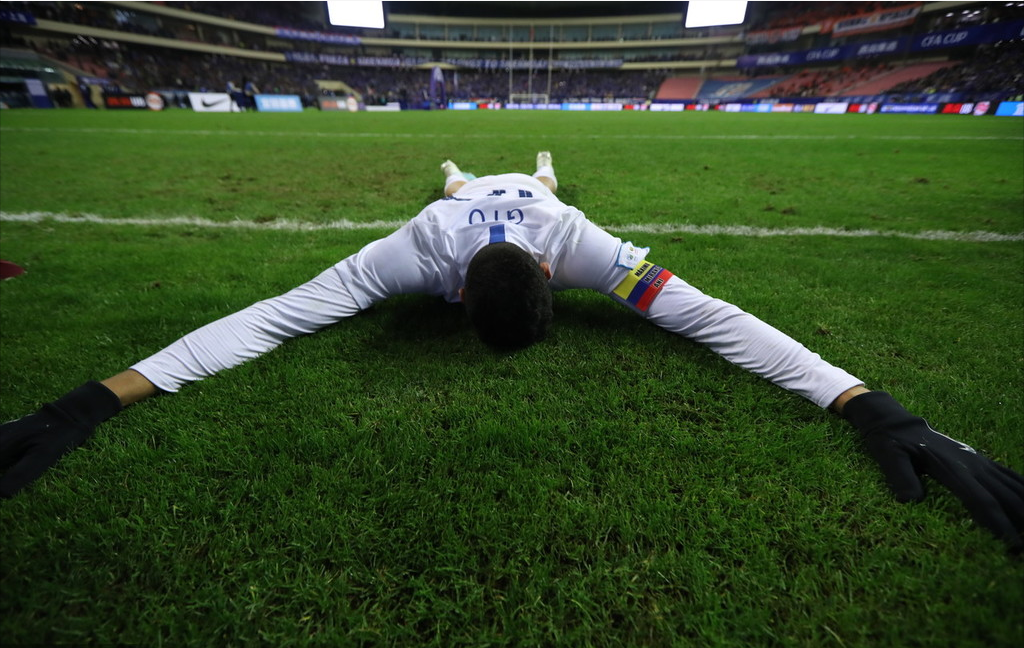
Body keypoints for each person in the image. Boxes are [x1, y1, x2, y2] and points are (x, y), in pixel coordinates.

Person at [1, 153, 1021, 553]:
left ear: (552, 278)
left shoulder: (580, 243)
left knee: (522, 178)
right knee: (457, 186)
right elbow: (273, 316)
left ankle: (516, 170)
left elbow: (717, 318)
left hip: (528, 202)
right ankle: (480, 172)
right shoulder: (408, 254)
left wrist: (865, 400)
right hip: (465, 208)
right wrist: (94, 397)